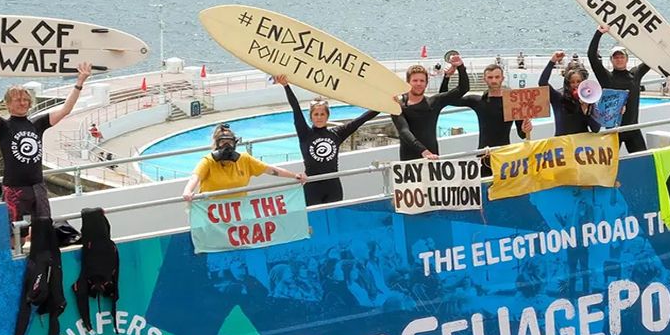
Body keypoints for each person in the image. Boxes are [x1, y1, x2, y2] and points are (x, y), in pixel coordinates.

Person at [0, 60, 91, 227]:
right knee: (15, 231)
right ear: (7, 104)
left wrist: (80, 82)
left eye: (25, 100)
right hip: (14, 188)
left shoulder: (38, 123)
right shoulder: (3, 127)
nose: (22, 103)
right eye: (17, 100)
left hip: (37, 186)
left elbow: (66, 109)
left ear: (30, 103)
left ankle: (39, 252)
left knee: (43, 228)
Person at [275, 75, 378, 206]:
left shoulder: (336, 134)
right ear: (311, 117)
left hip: (333, 186)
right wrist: (286, 86)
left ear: (327, 116)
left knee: (335, 220)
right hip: (313, 187)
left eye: (322, 114)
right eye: (316, 114)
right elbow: (296, 108)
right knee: (315, 222)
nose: (319, 117)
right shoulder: (305, 134)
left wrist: (385, 105)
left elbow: (360, 120)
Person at [441, 62, 532, 171]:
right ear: (485, 79)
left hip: (504, 155)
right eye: (490, 77)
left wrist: (526, 129)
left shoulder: (512, 103)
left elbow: (522, 134)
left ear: (502, 78)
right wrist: (447, 77)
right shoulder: (477, 101)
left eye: (497, 77)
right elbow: (444, 98)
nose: (494, 80)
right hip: (483, 155)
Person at [182, 123, 305, 200]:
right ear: (216, 144)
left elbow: (270, 170)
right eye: (222, 143)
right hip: (213, 212)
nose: (226, 146)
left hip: (238, 210)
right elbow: (195, 177)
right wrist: (188, 191)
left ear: (234, 143)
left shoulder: (244, 159)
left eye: (229, 142)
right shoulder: (208, 161)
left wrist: (295, 176)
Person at [588, 26, 651, 153]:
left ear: (627, 59)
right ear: (611, 60)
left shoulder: (635, 75)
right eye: (616, 57)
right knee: (609, 166)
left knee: (643, 161)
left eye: (621, 57)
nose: (619, 59)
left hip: (633, 128)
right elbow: (592, 56)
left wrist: (666, 35)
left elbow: (652, 57)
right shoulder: (607, 78)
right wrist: (599, 33)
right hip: (614, 130)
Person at [391, 58, 469, 161]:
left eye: (422, 81)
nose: (418, 84)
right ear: (408, 83)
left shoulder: (434, 102)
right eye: (415, 80)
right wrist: (424, 151)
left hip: (432, 159)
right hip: (409, 162)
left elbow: (463, 88)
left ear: (426, 84)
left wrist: (460, 66)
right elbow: (404, 131)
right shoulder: (399, 106)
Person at [538, 51, 600, 137]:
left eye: (579, 82)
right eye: (572, 82)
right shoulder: (558, 96)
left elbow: (596, 129)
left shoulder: (589, 100)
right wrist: (553, 61)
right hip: (562, 145)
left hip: (581, 146)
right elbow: (542, 83)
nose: (576, 85)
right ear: (567, 83)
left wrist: (586, 112)